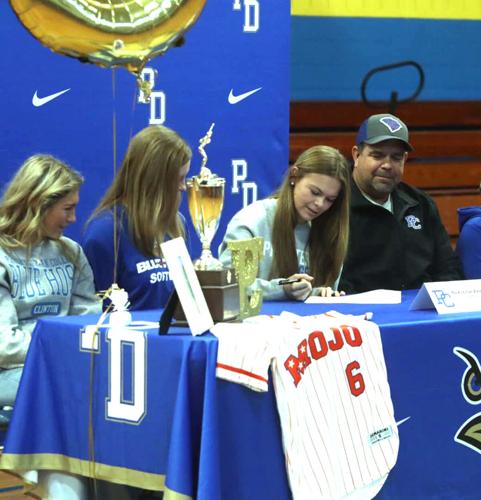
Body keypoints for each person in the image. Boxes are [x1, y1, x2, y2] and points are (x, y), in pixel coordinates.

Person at [0, 154, 100, 408]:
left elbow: (89, 323)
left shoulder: (72, 252)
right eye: (67, 209)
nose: (73, 219)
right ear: (38, 205)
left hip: (63, 363)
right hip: (12, 373)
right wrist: (60, 345)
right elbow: (5, 345)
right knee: (68, 385)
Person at [339, 113, 463, 293]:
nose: (387, 165)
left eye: (396, 158)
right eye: (377, 155)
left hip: (422, 311)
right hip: (360, 313)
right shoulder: (335, 204)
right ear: (357, 155)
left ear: (404, 159)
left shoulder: (420, 204)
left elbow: (448, 268)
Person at [219, 145, 350, 301]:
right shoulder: (253, 220)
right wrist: (282, 288)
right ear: (294, 176)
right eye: (315, 192)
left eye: (330, 200)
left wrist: (320, 294)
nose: (320, 204)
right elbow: (231, 285)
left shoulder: (330, 232)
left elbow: (310, 296)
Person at [83, 125, 192, 309]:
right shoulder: (105, 233)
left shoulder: (176, 223)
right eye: (178, 178)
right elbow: (98, 314)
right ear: (155, 180)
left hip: (175, 336)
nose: (183, 187)